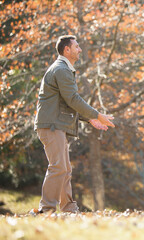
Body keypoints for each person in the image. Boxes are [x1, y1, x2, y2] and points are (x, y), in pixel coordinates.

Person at [32, 35, 115, 214]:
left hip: (56, 125)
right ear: (66, 50)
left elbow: (67, 101)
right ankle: (46, 209)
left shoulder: (64, 69)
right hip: (51, 126)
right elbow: (72, 99)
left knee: (65, 168)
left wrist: (89, 118)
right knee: (58, 167)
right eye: (76, 46)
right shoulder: (61, 69)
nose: (80, 49)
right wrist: (97, 115)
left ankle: (68, 208)